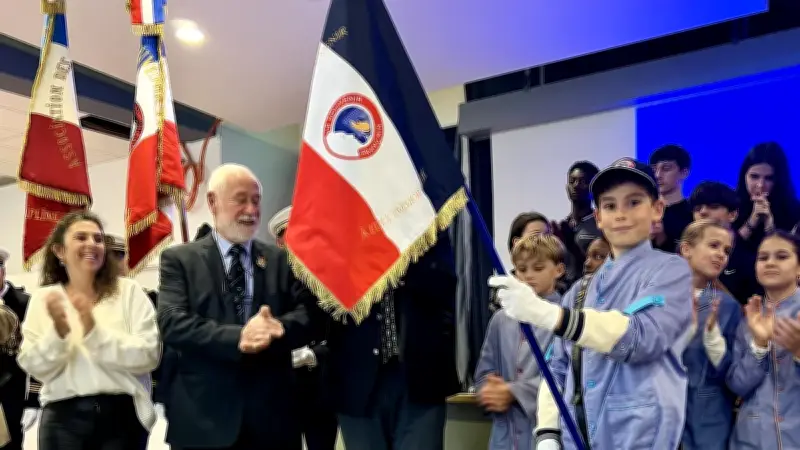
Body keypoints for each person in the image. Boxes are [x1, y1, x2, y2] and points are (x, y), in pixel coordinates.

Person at [490, 157, 693, 449]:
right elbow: (556, 368)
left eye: (634, 202)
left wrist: (548, 315)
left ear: (657, 209)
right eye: (610, 206)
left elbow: (640, 337)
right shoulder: (581, 291)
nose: (621, 214)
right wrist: (547, 432)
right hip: (578, 439)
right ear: (598, 218)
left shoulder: (671, 271)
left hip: (641, 440)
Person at [157, 163, 316, 450]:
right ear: (212, 202)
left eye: (256, 201)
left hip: (273, 421)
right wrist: (239, 337)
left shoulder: (282, 260)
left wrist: (279, 328)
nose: (251, 210)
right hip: (203, 421)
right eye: (240, 199)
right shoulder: (179, 260)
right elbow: (171, 322)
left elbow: (310, 316)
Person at [17, 211, 160, 450]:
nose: (91, 244)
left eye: (98, 239)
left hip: (121, 419)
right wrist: (59, 335)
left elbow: (148, 356)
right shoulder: (44, 298)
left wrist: (94, 334)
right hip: (62, 421)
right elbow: (34, 367)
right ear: (60, 251)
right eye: (81, 238)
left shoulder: (129, 292)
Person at [327, 234, 460, 450]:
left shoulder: (425, 218)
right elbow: (323, 296)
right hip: (357, 381)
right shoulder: (342, 223)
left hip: (420, 378)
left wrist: (399, 263)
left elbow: (446, 283)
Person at [474, 234, 565, 450]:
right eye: (522, 270)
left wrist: (515, 392)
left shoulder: (563, 317)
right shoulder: (501, 319)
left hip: (546, 433)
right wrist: (489, 390)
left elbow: (565, 378)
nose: (529, 276)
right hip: (504, 436)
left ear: (558, 270)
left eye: (538, 268)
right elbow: (484, 373)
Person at [268, 206, 338, 450]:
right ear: (280, 243)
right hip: (283, 387)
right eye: (290, 238)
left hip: (322, 385)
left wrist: (314, 355)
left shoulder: (330, 283)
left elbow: (342, 333)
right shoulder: (271, 285)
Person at [727, 231, 800, 449]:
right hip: (751, 439)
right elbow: (738, 385)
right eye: (763, 257)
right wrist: (759, 344)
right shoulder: (748, 318)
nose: (770, 263)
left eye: (782, 256)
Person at [678, 220, 742, 450]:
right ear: (686, 249)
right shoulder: (657, 298)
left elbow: (733, 373)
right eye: (713, 245)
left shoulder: (728, 307)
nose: (721, 255)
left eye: (726, 251)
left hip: (708, 421)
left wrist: (711, 338)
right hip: (660, 413)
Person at [689, 181, 759, 304]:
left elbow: (751, 312)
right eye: (697, 208)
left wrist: (712, 280)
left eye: (713, 207)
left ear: (732, 214)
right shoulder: (682, 254)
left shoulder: (749, 260)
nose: (703, 212)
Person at [0, 249, 40, 450]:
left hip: (12, 393)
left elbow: (38, 352)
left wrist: (33, 400)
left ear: (3, 272)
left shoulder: (26, 304)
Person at [733, 142, 800, 250]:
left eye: (768, 178)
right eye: (754, 177)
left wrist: (769, 226)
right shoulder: (729, 205)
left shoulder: (794, 211)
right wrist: (752, 222)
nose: (760, 185)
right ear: (744, 176)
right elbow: (725, 250)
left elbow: (790, 256)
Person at [552, 162, 602, 282]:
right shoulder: (562, 226)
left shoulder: (601, 225)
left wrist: (571, 244)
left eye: (583, 182)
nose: (576, 185)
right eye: (572, 181)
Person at [649, 144, 693, 253]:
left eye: (666, 168)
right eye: (654, 170)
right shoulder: (644, 210)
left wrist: (661, 238)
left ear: (684, 173)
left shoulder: (693, 214)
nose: (658, 175)